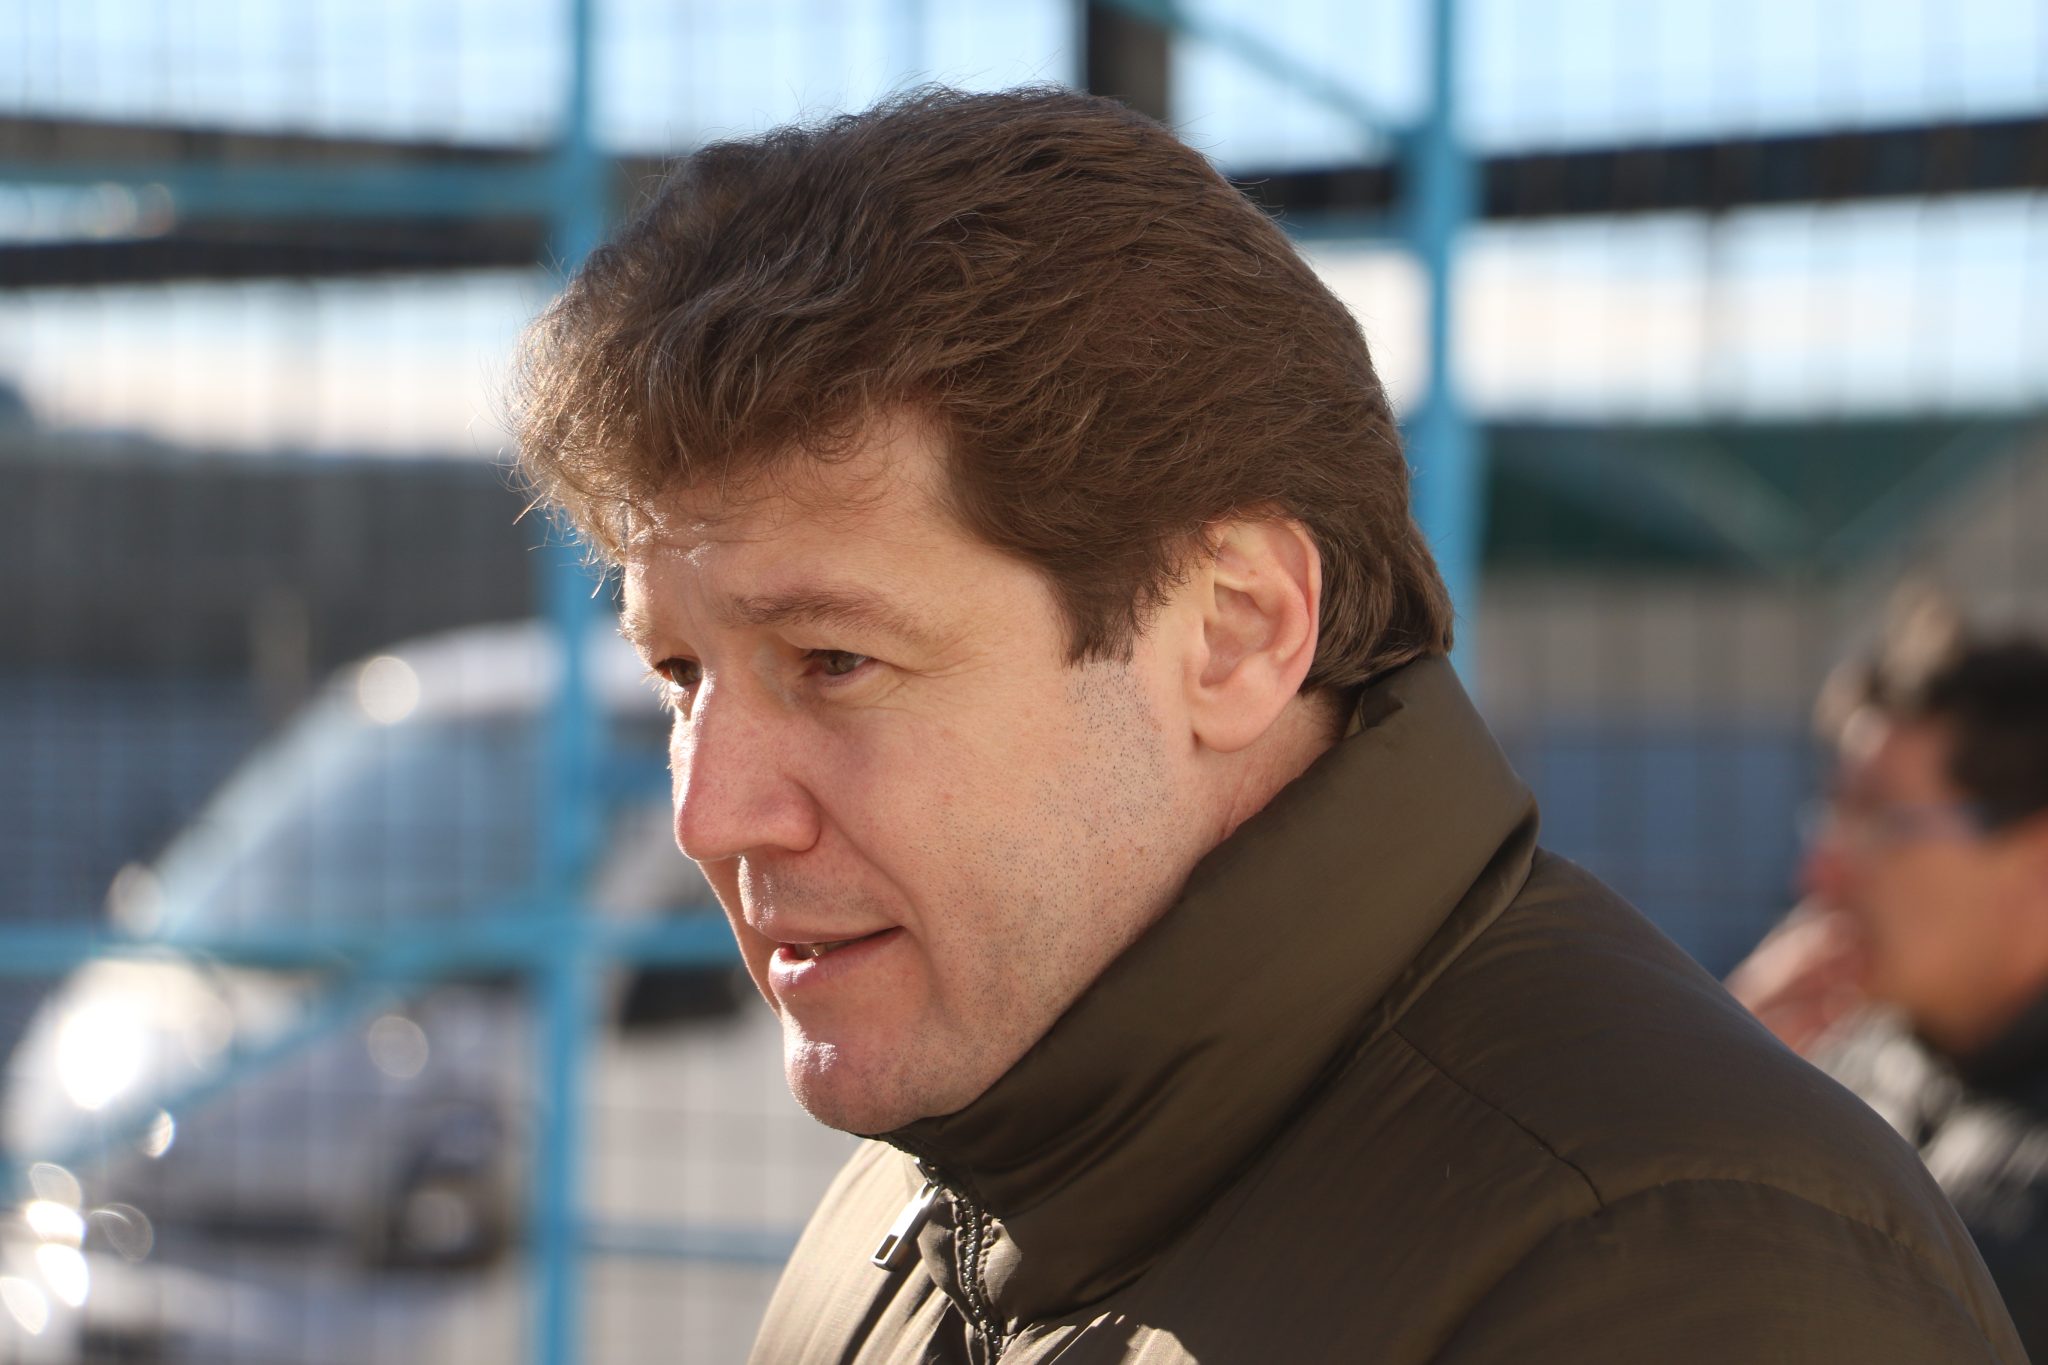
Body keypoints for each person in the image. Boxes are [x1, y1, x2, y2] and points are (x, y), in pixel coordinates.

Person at [514, 87, 2024, 1363]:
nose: (710, 812)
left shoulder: (1679, 1276)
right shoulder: (936, 1190)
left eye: (833, 660)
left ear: (1235, 631)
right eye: (680, 676)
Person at [1729, 603, 2048, 1358]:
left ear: (2035, 860)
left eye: (1880, 822)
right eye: (1831, 816)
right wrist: (1719, 1064)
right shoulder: (1841, 1061)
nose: (1821, 873)